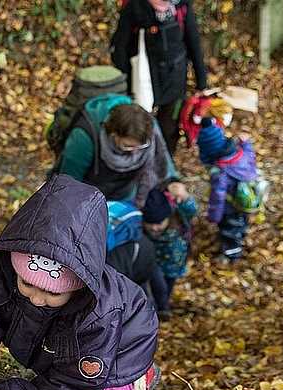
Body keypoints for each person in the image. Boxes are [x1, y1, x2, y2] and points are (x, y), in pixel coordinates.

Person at [0, 174, 160, 390]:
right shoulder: (7, 281)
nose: (37, 299)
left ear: (78, 288)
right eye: (27, 283)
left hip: (118, 352)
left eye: (53, 292)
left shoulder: (98, 315)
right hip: (61, 352)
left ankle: (139, 383)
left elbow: (76, 386)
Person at [55, 93, 188, 287]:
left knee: (127, 248)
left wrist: (172, 181)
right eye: (128, 147)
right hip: (89, 201)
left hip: (127, 197)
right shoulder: (84, 137)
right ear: (113, 135)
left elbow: (162, 155)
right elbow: (68, 184)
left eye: (140, 146)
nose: (135, 153)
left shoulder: (147, 125)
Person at [110, 0, 208, 155]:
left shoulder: (182, 5)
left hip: (175, 76)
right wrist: (126, 84)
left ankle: (164, 162)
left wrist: (201, 83)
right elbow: (120, 46)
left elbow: (193, 41)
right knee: (139, 124)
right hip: (143, 78)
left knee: (170, 126)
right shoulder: (135, 7)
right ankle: (140, 161)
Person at [196, 118, 258, 263]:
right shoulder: (240, 154)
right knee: (241, 223)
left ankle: (231, 255)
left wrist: (214, 217)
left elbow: (218, 198)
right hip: (244, 202)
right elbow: (251, 155)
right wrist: (246, 143)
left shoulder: (220, 173)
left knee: (229, 231)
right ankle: (241, 235)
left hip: (229, 209)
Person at [142, 188, 197, 320]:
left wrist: (184, 197)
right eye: (150, 224)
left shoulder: (179, 219)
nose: (155, 228)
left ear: (167, 217)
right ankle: (161, 308)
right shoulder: (143, 230)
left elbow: (191, 210)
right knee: (158, 285)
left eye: (159, 223)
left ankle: (165, 303)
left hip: (174, 264)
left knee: (169, 285)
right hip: (156, 263)